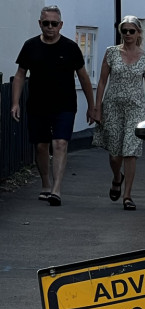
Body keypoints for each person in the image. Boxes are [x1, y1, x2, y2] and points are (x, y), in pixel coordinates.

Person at [11, 5, 96, 207]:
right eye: (46, 23)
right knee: (41, 146)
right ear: (40, 24)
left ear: (61, 25)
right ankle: (45, 184)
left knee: (60, 143)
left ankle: (56, 189)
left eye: (54, 24)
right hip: (37, 104)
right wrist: (15, 102)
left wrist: (91, 106)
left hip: (64, 104)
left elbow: (84, 77)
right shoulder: (30, 46)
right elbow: (20, 74)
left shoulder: (70, 48)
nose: (50, 27)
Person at [92, 15, 145, 211]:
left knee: (130, 151)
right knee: (114, 155)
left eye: (131, 31)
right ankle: (117, 177)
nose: (128, 34)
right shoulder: (111, 53)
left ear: (138, 33)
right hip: (112, 107)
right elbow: (102, 81)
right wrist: (97, 107)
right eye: (124, 31)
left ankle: (127, 195)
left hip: (136, 109)